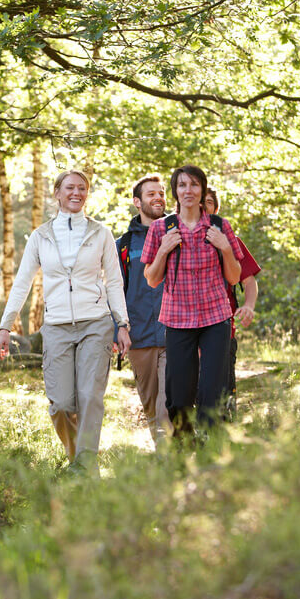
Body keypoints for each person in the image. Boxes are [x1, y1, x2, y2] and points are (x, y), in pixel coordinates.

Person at [0, 169, 131, 476]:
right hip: (56, 326)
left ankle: (84, 466)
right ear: (57, 193)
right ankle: (77, 460)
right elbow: (22, 283)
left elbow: (113, 282)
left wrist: (121, 323)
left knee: (89, 396)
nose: (76, 192)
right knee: (60, 404)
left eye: (82, 188)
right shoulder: (41, 236)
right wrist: (6, 327)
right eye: (69, 187)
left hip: (95, 323)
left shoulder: (100, 233)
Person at [142, 165, 242, 436]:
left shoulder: (220, 227)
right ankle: (184, 446)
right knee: (180, 395)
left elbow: (234, 277)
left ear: (202, 190)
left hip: (216, 319)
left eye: (194, 185)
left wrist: (225, 248)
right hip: (177, 319)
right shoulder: (162, 228)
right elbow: (151, 278)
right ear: (175, 190)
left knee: (212, 390)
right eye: (182, 185)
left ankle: (210, 452)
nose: (188, 190)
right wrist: (163, 250)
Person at [116, 175, 173, 445]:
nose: (158, 197)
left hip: (177, 333)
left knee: (168, 405)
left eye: (161, 192)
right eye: (151, 194)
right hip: (140, 338)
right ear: (137, 201)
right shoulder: (123, 246)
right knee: (151, 406)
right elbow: (114, 291)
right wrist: (118, 328)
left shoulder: (181, 233)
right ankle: (167, 459)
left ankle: (171, 462)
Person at [204, 189, 261, 419]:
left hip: (223, 329)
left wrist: (249, 305)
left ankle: (225, 443)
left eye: (208, 202)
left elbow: (249, 282)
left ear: (216, 209)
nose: (203, 206)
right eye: (200, 202)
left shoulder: (231, 241)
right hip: (186, 329)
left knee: (224, 395)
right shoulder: (177, 240)